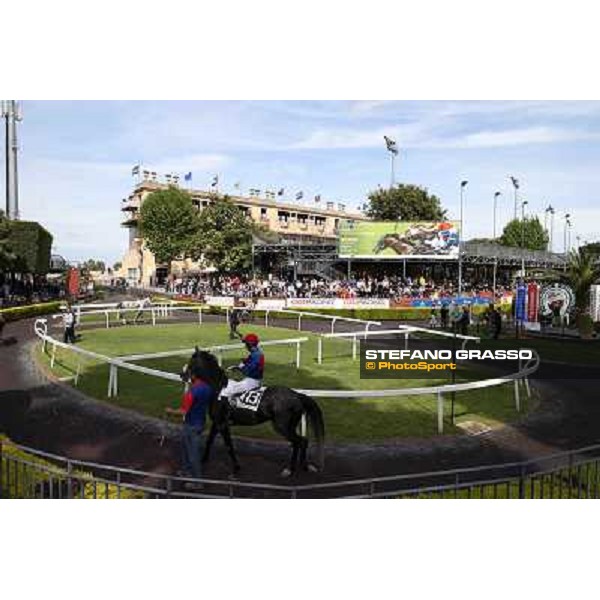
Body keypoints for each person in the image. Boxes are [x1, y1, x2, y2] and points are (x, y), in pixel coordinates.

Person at [165, 372, 214, 481]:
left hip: (191, 425)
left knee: (192, 453)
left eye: (186, 376)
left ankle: (197, 481)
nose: (185, 378)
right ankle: (186, 472)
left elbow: (183, 412)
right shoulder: (207, 387)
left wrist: (170, 411)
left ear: (193, 376)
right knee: (187, 450)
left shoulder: (192, 392)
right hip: (200, 422)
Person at [220, 333, 264, 402]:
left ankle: (227, 410)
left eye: (246, 344)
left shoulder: (256, 355)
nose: (245, 346)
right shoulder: (256, 353)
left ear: (250, 345)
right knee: (231, 382)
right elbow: (248, 362)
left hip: (251, 383)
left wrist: (238, 369)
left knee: (225, 391)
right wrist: (242, 363)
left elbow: (248, 370)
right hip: (251, 380)